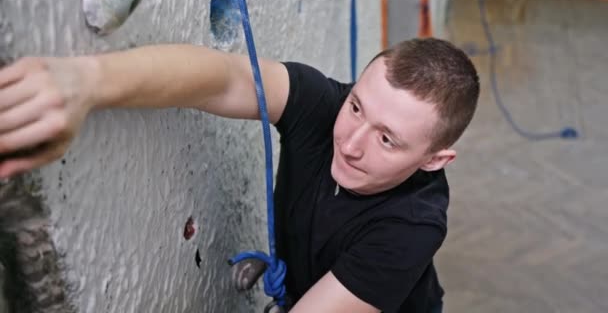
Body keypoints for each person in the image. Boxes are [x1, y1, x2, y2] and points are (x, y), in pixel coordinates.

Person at [0, 37, 479, 312]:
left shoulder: (410, 228)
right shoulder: (324, 107)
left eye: (387, 139)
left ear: (435, 159)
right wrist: (85, 83)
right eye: (357, 106)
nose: (350, 143)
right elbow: (223, 76)